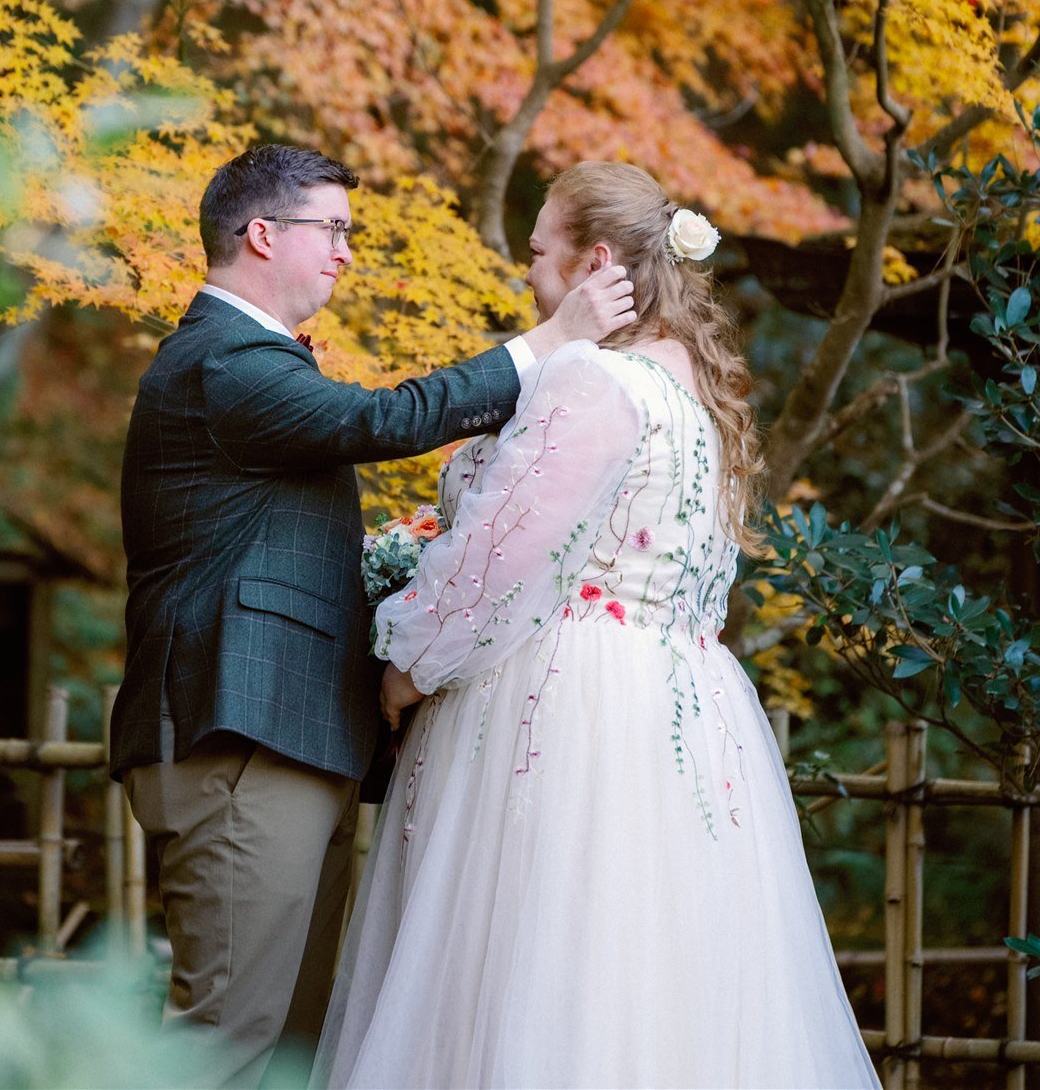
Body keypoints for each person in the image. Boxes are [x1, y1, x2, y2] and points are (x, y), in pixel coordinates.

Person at [315, 161, 880, 1089]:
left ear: (598, 262)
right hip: (684, 706)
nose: (528, 271)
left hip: (564, 702)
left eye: (540, 252)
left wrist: (406, 664)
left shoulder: (591, 378)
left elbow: (504, 555)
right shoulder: (699, 397)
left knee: (525, 959)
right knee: (648, 974)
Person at [109, 145, 637, 1087]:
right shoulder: (217, 360)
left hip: (292, 742)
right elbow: (383, 422)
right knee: (221, 1044)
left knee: (292, 1051)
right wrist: (550, 343)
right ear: (263, 234)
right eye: (335, 229)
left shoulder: (250, 363)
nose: (348, 252)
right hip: (237, 738)